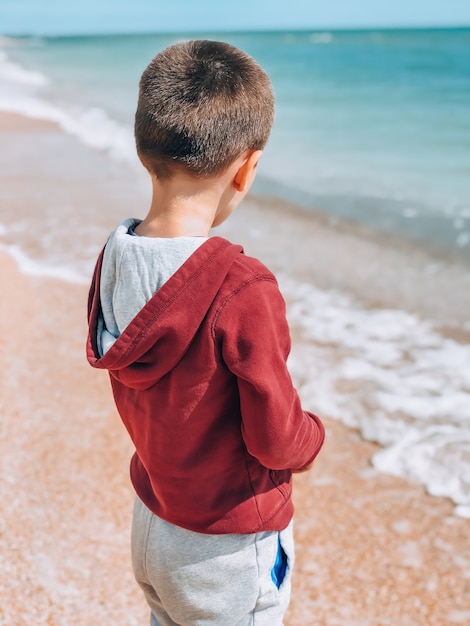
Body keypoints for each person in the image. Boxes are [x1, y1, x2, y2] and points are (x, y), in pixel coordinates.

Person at [87, 39, 325, 626]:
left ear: (144, 150)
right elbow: (275, 438)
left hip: (153, 522)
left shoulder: (117, 256)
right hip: (225, 549)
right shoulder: (241, 287)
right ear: (247, 167)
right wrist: (313, 437)